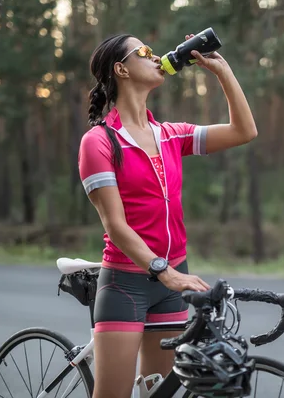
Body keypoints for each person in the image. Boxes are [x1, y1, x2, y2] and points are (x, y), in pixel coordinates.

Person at [78, 32, 258, 398]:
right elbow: (116, 225)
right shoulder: (98, 141)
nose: (155, 55)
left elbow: (244, 131)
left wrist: (222, 72)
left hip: (173, 279)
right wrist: (165, 272)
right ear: (121, 70)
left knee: (156, 393)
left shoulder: (170, 135)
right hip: (126, 283)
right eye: (144, 52)